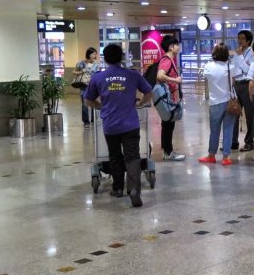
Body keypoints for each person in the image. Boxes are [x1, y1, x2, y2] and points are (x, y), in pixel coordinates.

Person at [83, 44, 152, 207]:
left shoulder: (98, 77)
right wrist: (140, 103)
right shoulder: (133, 75)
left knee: (115, 156)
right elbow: (149, 92)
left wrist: (100, 106)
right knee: (133, 157)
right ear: (121, 58)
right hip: (130, 124)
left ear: (105, 58)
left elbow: (88, 100)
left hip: (110, 124)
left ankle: (118, 188)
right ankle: (134, 190)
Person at [198, 43, 237, 166]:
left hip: (215, 103)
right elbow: (234, 81)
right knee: (228, 129)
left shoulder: (208, 66)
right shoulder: (231, 67)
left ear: (214, 54)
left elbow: (206, 77)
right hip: (230, 102)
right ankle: (226, 157)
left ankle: (211, 156)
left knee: (214, 131)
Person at [156, 35, 185, 161]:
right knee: (168, 125)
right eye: (176, 44)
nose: (178, 47)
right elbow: (160, 76)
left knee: (167, 124)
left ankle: (167, 150)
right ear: (171, 47)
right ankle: (168, 152)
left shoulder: (169, 59)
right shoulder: (166, 60)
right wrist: (176, 80)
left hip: (170, 98)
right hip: (168, 98)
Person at [230, 29, 254, 153]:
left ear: (248, 41)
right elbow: (234, 68)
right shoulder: (237, 53)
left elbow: (248, 70)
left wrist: (240, 57)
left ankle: (249, 142)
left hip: (247, 85)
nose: (239, 40)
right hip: (237, 86)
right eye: (238, 38)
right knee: (234, 113)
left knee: (249, 115)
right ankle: (233, 142)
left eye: (242, 38)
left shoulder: (252, 54)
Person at [74, 47, 100, 128]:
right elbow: (73, 72)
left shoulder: (96, 65)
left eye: (95, 54)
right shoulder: (81, 63)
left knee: (93, 104)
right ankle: (86, 121)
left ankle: (93, 120)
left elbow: (97, 75)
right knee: (85, 105)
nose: (95, 56)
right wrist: (81, 71)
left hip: (93, 86)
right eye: (93, 54)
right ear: (89, 54)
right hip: (83, 87)